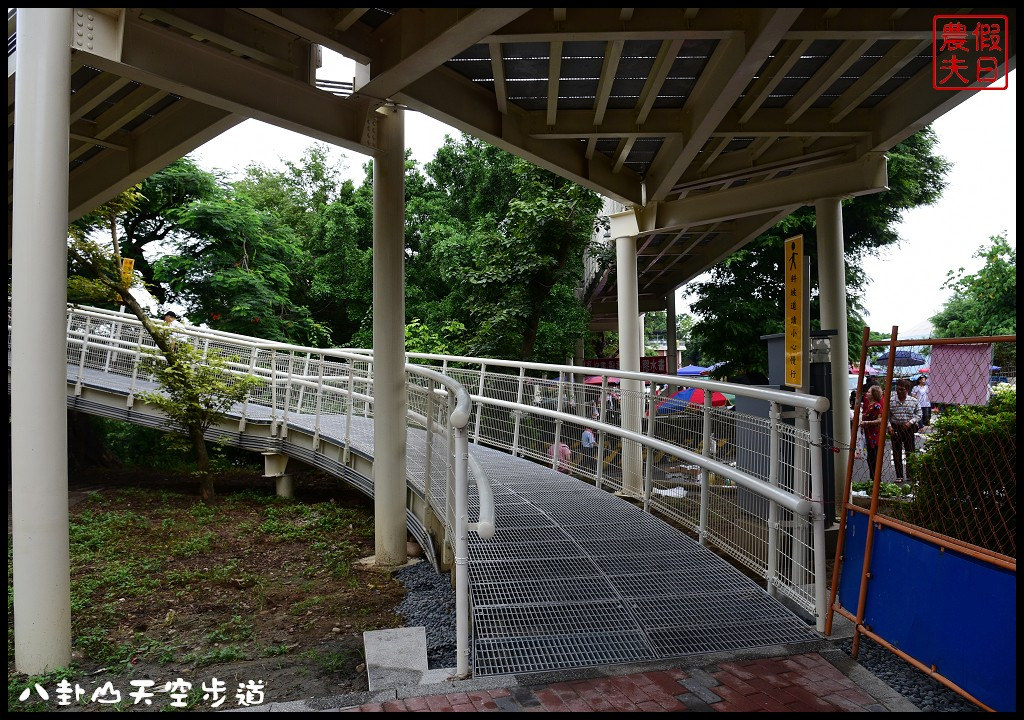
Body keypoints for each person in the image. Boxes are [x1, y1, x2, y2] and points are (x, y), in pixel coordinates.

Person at [888, 379, 922, 482]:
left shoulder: (913, 401)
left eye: (902, 389)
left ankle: (910, 475)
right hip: (896, 427)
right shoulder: (891, 401)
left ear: (907, 390)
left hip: (908, 428)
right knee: (896, 451)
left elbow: (919, 414)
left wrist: (911, 422)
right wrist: (889, 426)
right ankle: (899, 476)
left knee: (910, 451)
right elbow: (887, 416)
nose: (899, 391)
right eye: (898, 389)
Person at [858, 386, 884, 478]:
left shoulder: (876, 406)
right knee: (870, 459)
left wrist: (867, 422)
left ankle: (876, 481)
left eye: (869, 392)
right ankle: (873, 480)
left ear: (873, 394)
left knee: (873, 459)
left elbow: (880, 420)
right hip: (869, 436)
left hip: (874, 437)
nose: (866, 393)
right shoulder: (870, 405)